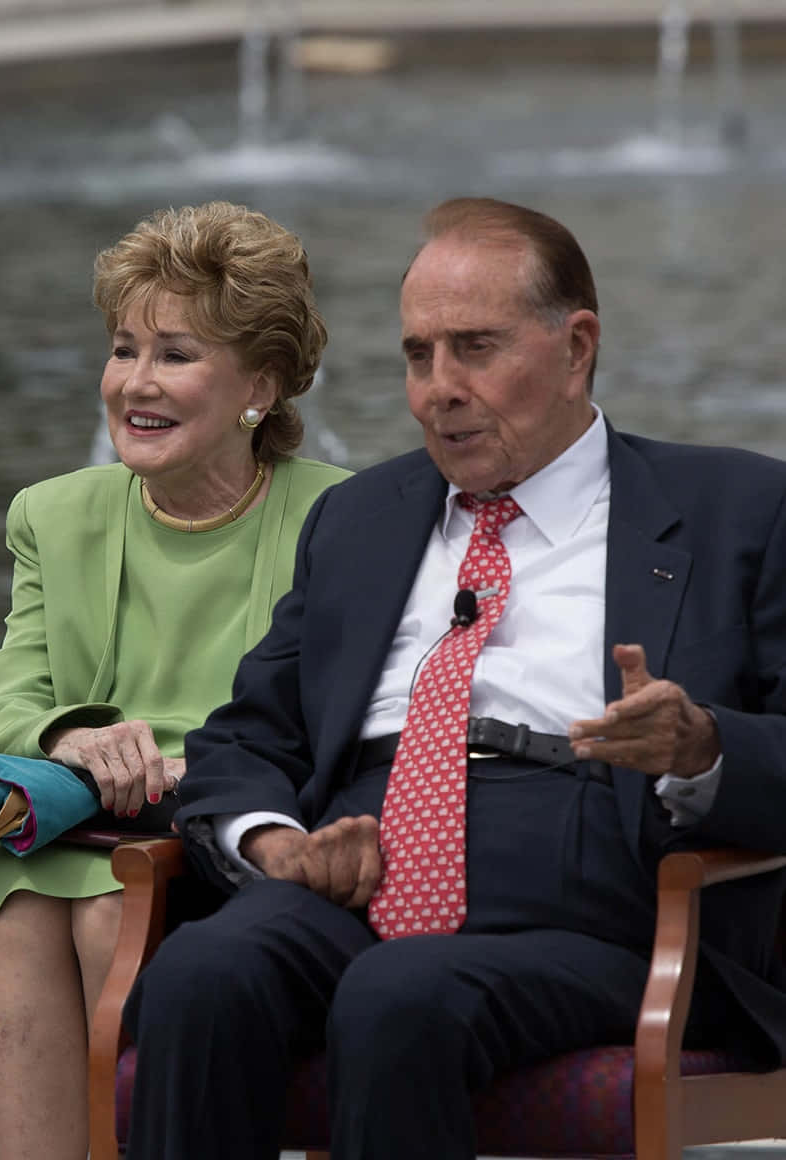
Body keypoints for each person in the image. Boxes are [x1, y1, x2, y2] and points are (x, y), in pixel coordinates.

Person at [122, 196, 786, 1160]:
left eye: (475, 349)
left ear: (577, 348)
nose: (440, 389)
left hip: (604, 902)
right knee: (202, 973)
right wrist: (275, 844)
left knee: (400, 996)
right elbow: (248, 735)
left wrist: (704, 748)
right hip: (354, 880)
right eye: (418, 355)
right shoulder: (363, 519)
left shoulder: (738, 510)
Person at [0, 201, 350, 1159]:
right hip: (76, 842)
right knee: (27, 905)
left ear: (260, 386)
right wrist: (71, 737)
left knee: (108, 902)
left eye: (175, 354)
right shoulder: (52, 515)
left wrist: (190, 773)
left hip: (240, 845)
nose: (135, 383)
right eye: (124, 350)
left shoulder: (343, 518)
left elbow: (342, 727)